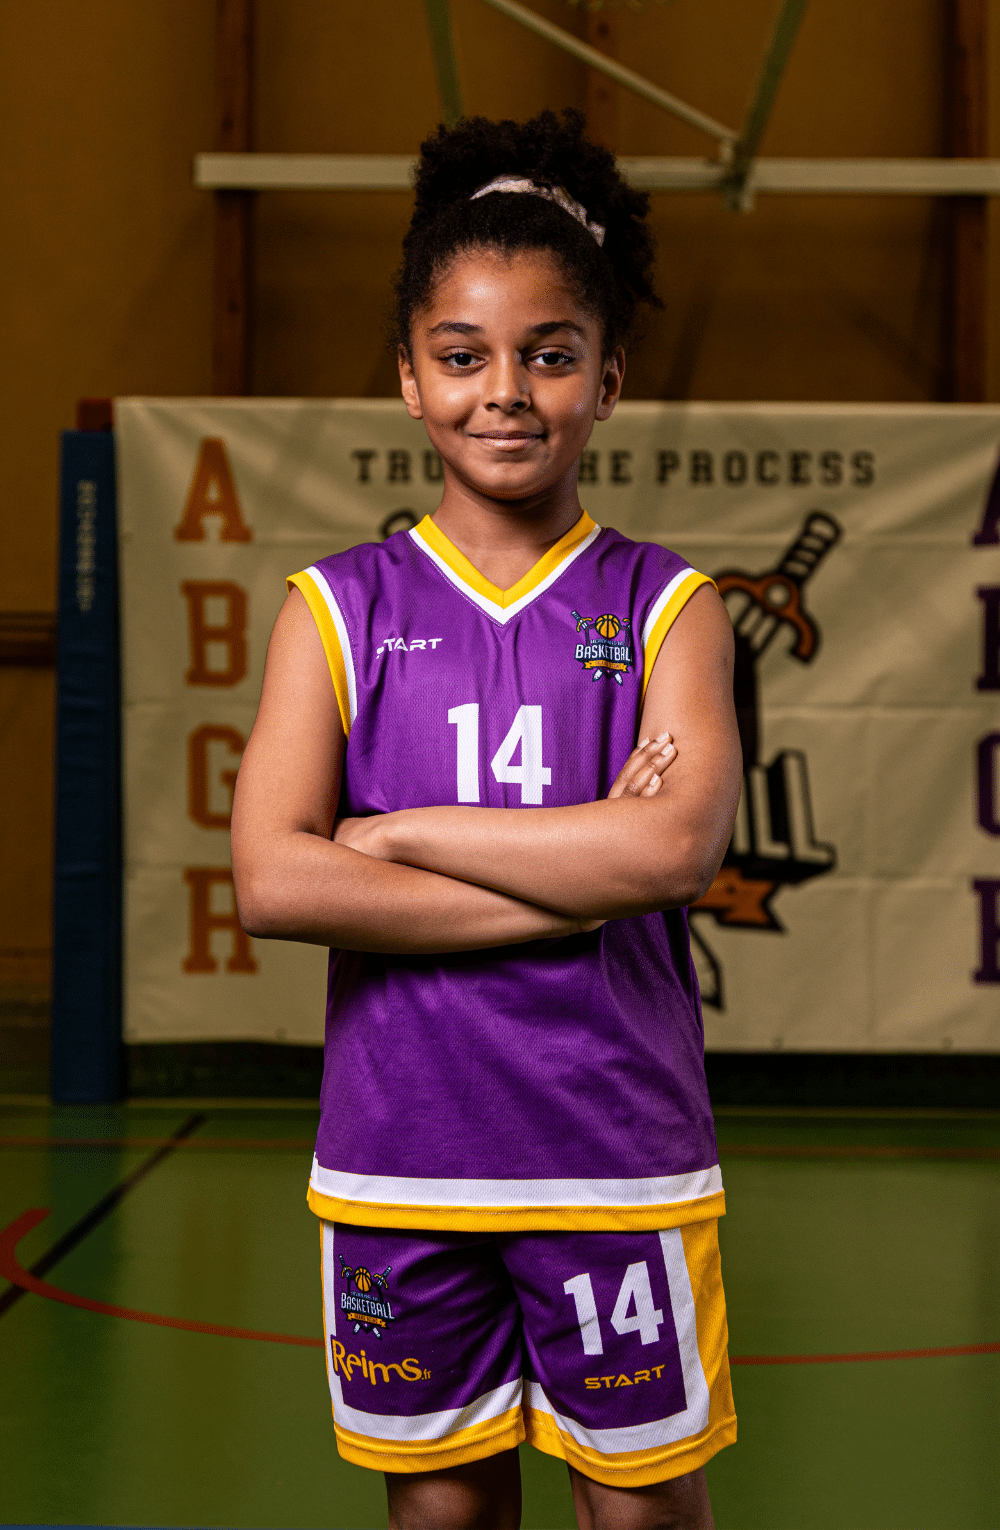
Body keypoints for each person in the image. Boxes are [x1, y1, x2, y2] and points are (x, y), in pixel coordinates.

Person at [231, 109, 742, 1530]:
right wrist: (583, 863)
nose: (503, 391)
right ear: (407, 377)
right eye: (461, 356)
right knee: (445, 1515)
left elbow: (674, 850)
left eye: (548, 353)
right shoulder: (335, 608)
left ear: (608, 377)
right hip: (402, 1150)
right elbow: (274, 879)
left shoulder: (668, 605)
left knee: (640, 1513)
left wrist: (390, 836)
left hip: (614, 1146)